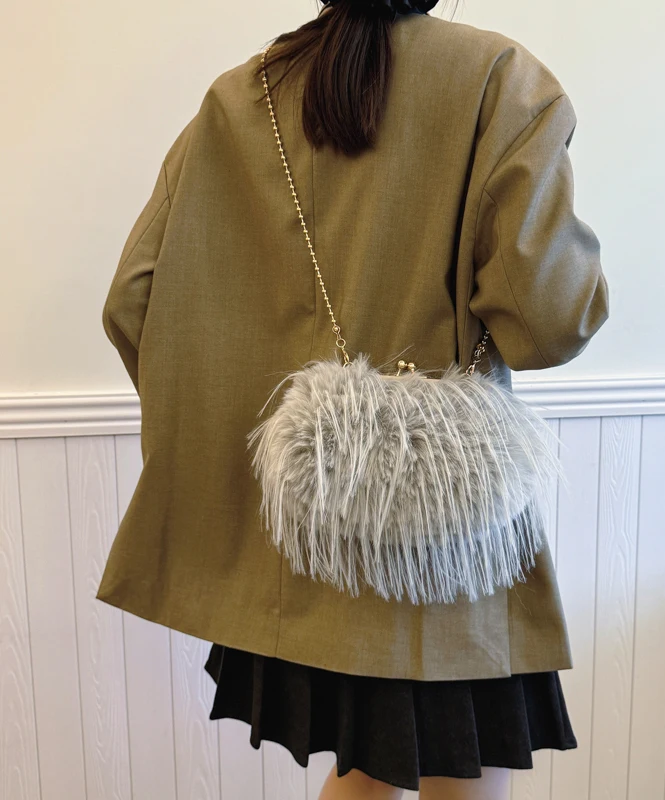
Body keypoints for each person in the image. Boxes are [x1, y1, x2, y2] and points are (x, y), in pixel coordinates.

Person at [97, 0, 609, 797]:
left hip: (309, 537)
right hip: (444, 530)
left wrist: (259, 436)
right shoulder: (501, 81)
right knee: (462, 774)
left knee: (364, 776)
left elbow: (133, 301)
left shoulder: (241, 99)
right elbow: (548, 321)